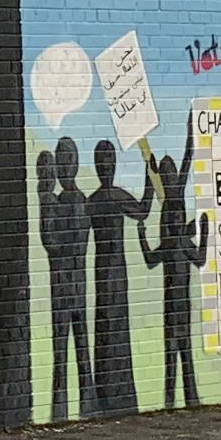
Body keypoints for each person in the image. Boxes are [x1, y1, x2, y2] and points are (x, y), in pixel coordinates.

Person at [83, 138, 147, 418]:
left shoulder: (92, 201)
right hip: (116, 270)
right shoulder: (114, 196)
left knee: (104, 327)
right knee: (116, 326)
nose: (107, 167)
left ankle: (106, 391)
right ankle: (120, 391)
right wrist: (149, 174)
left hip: (100, 269)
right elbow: (143, 210)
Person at [34, 136, 90, 423]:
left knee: (72, 355)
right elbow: (54, 241)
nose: (63, 168)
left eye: (68, 161)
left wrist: (48, 202)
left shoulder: (70, 200)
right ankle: (67, 412)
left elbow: (58, 243)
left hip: (69, 287)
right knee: (69, 356)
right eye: (60, 162)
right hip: (70, 286)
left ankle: (74, 411)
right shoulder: (66, 200)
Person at [147, 142, 205, 411]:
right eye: (166, 173)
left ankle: (185, 400)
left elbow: (187, 159)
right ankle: (173, 401)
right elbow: (159, 252)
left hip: (179, 295)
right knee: (175, 354)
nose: (172, 177)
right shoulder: (171, 203)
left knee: (183, 354)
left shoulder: (175, 198)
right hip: (173, 293)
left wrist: (200, 232)